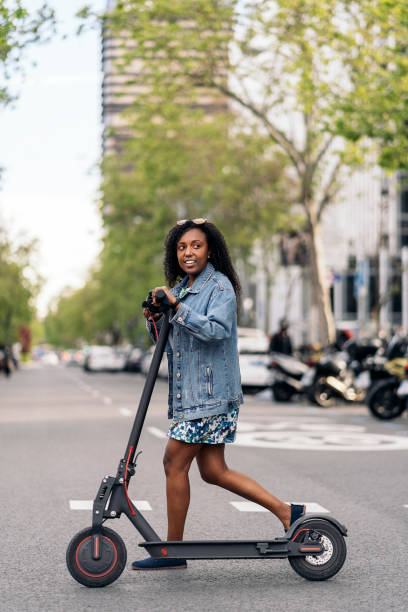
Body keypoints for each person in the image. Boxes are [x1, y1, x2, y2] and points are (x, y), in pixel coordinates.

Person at [133, 219, 305, 570]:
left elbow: (217, 330)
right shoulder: (182, 288)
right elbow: (171, 345)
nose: (188, 253)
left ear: (210, 249)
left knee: (173, 462)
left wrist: (177, 308)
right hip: (194, 396)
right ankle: (288, 512)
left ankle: (172, 551)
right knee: (213, 470)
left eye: (196, 246)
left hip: (210, 396)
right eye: (182, 248)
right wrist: (155, 315)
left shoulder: (220, 287)